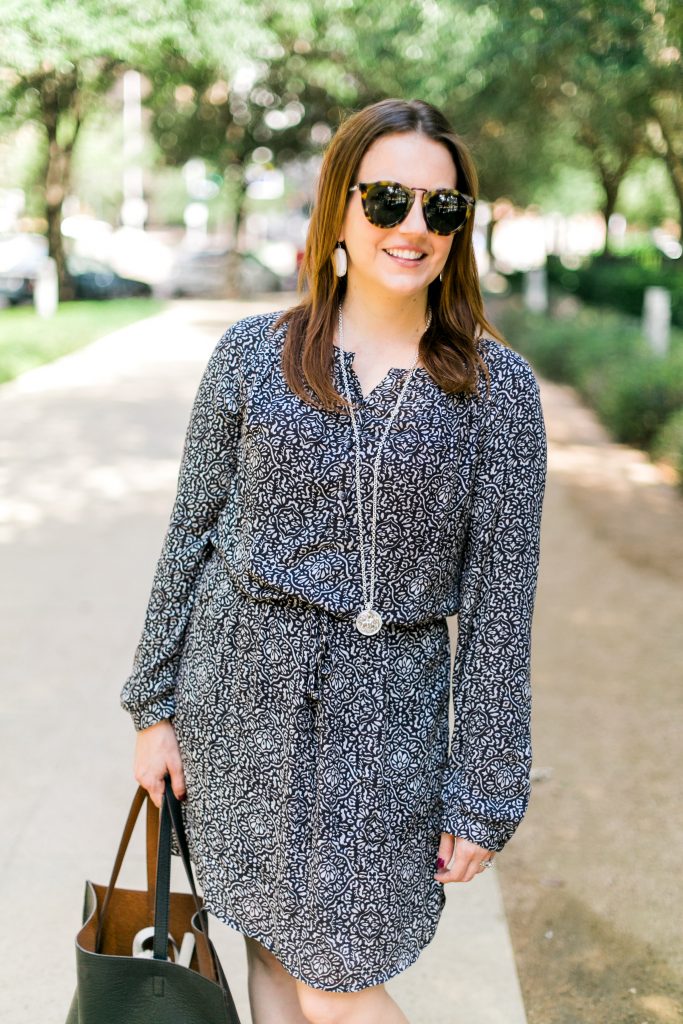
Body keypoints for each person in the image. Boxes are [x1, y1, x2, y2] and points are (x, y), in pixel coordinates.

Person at [121, 97, 547, 1024]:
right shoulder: (249, 355)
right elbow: (189, 532)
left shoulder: (497, 391)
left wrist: (485, 789)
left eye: (442, 208)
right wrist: (153, 707)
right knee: (270, 949)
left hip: (385, 722)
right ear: (339, 205)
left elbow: (500, 606)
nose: (413, 227)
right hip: (234, 701)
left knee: (338, 984)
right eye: (389, 199)